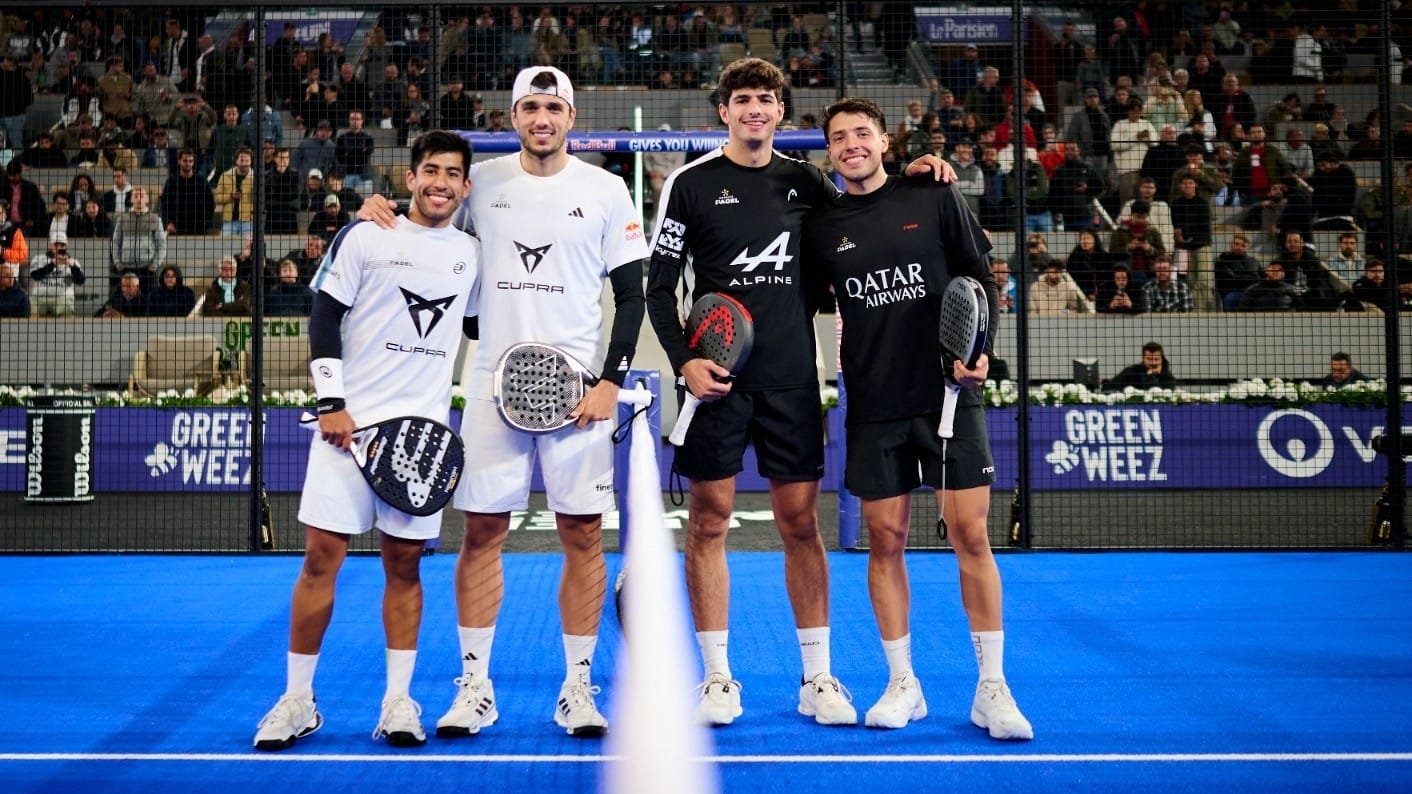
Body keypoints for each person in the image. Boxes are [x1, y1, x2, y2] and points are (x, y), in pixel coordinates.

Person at [642, 58, 953, 729]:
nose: (754, 109)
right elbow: (658, 288)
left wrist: (919, 180)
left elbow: (867, 218)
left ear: (783, 111)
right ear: (723, 110)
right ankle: (718, 678)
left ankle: (817, 677)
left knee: (800, 526)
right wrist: (684, 362)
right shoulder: (691, 186)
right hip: (716, 383)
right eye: (742, 99)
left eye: (766, 99)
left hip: (791, 381)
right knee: (708, 520)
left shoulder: (806, 183)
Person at [358, 66, 648, 739]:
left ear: (570, 117)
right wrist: (378, 211)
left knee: (581, 534)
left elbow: (632, 294)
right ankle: (476, 686)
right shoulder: (480, 183)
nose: (540, 119)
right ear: (512, 118)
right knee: (482, 533)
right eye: (528, 108)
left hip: (580, 393)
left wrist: (610, 379)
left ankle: (578, 686)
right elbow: (422, 229)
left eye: (552, 107)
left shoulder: (606, 191)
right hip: (491, 384)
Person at [801, 96, 1031, 738]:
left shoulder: (931, 196)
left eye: (863, 133)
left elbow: (979, 277)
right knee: (886, 539)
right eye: (840, 137)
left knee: (971, 533)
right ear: (830, 152)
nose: (852, 144)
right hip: (873, 404)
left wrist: (980, 353)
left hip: (949, 395)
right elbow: (809, 299)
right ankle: (904, 683)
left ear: (883, 141)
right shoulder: (822, 227)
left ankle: (993, 689)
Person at [252, 130, 479, 752]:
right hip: (346, 432)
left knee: (404, 567)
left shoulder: (471, 254)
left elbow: (487, 322)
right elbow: (322, 315)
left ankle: (398, 701)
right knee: (320, 559)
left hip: (421, 444)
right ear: (409, 178)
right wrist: (332, 401)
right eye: (429, 170)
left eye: (452, 173)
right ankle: (296, 700)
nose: (440, 182)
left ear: (465, 185)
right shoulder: (364, 233)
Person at [109, 186, 165, 294]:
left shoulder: (155, 219)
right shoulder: (122, 219)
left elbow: (162, 244)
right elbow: (116, 242)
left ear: (147, 199)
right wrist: (117, 262)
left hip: (148, 269)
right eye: (136, 196)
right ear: (131, 199)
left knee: (149, 300)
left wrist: (155, 264)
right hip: (126, 268)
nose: (139, 199)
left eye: (142, 196)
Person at [28, 231, 85, 316]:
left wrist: (72, 267)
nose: (59, 248)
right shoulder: (39, 258)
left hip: (63, 298)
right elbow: (35, 276)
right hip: (39, 297)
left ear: (66, 247)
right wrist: (53, 264)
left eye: (62, 245)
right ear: (50, 245)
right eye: (56, 245)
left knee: (66, 307)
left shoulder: (73, 262)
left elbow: (81, 281)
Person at [160, 149, 214, 235]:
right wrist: (167, 222)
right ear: (179, 161)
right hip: (176, 228)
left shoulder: (202, 181)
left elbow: (210, 204)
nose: (188, 163)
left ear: (193, 162)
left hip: (198, 228)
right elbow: (165, 205)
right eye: (185, 161)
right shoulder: (172, 181)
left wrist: (205, 224)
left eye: (190, 161)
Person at [1215, 233, 1264, 310]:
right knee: (1230, 298)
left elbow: (1261, 279)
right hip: (1233, 292)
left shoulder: (1254, 261)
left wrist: (1239, 276)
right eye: (1237, 244)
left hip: (1253, 292)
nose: (1239, 247)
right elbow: (1230, 280)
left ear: (1247, 248)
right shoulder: (1223, 260)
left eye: (1243, 245)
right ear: (1231, 245)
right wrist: (1252, 277)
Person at [1105, 341, 1175, 390]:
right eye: (1149, 359)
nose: (1153, 362)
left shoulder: (1167, 376)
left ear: (1161, 359)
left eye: (1156, 359)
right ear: (1143, 358)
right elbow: (1108, 387)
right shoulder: (1132, 372)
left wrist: (1150, 376)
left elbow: (1161, 398)